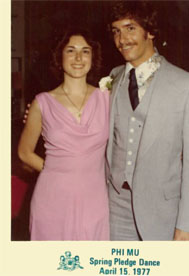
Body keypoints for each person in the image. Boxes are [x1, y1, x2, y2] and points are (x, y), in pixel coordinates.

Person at [106, 1, 189, 241]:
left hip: (163, 215)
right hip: (113, 208)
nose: (122, 39)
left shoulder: (188, 85)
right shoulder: (112, 78)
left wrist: (187, 222)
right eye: (116, 31)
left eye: (130, 28)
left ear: (150, 31)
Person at [18, 28, 110, 241]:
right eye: (71, 50)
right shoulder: (42, 102)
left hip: (95, 199)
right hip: (52, 199)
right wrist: (57, 171)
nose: (78, 57)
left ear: (92, 57)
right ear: (60, 57)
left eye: (85, 51)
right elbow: (24, 153)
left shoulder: (107, 99)